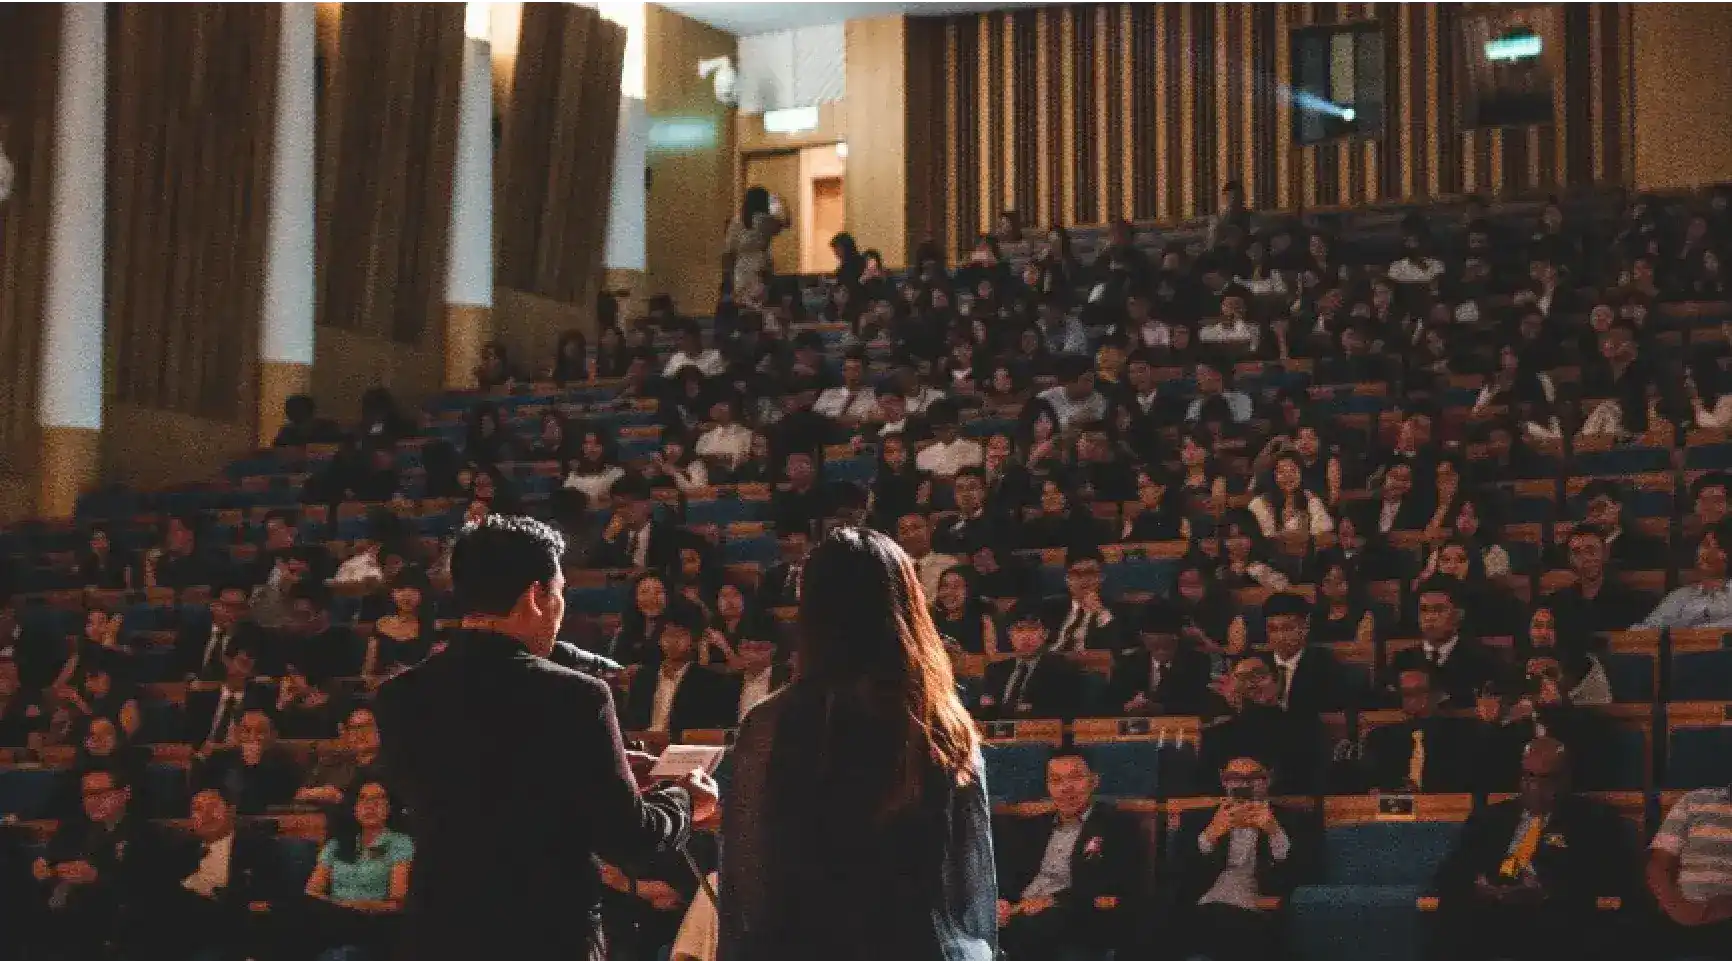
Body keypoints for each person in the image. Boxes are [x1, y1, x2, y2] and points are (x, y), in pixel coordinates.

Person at [375, 515, 718, 961]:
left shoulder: (399, 696)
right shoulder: (576, 695)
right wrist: (685, 798)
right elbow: (628, 837)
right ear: (537, 595)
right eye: (559, 593)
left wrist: (595, 771)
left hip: (440, 932)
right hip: (545, 933)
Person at [718, 526, 996, 961]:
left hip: (804, 944)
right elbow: (968, 877)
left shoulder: (770, 722)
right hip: (917, 945)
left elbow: (747, 879)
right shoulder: (942, 720)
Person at [1432, 738, 1634, 961]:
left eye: (1546, 779)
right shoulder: (1490, 819)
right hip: (1489, 914)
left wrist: (1546, 893)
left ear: (1566, 779)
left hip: (1553, 921)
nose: (1535, 788)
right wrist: (1480, 887)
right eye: (1528, 777)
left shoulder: (1594, 820)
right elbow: (1450, 872)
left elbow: (1610, 877)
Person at [994, 749, 1144, 961]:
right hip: (1023, 912)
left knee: (1033, 927)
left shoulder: (1117, 825)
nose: (1066, 788)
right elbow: (1012, 873)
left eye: (1075, 777)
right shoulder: (1033, 827)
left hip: (1076, 916)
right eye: (1056, 780)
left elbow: (1112, 883)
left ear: (1094, 781)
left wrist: (1052, 900)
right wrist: (1002, 900)